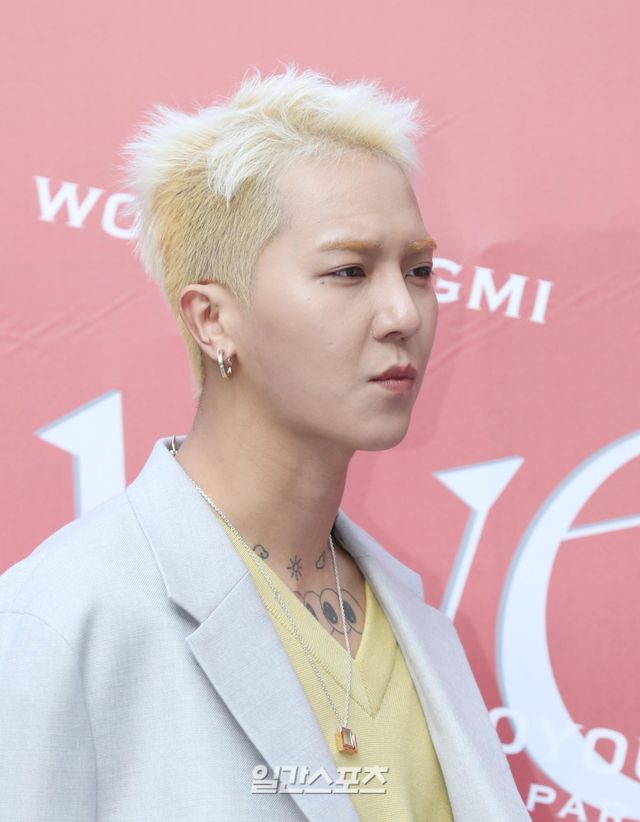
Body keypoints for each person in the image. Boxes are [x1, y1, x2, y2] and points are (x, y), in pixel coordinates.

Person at [0, 66, 530, 821]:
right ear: (212, 319)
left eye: (419, 271)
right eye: (348, 271)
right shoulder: (65, 620)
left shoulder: (417, 624)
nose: (403, 313)